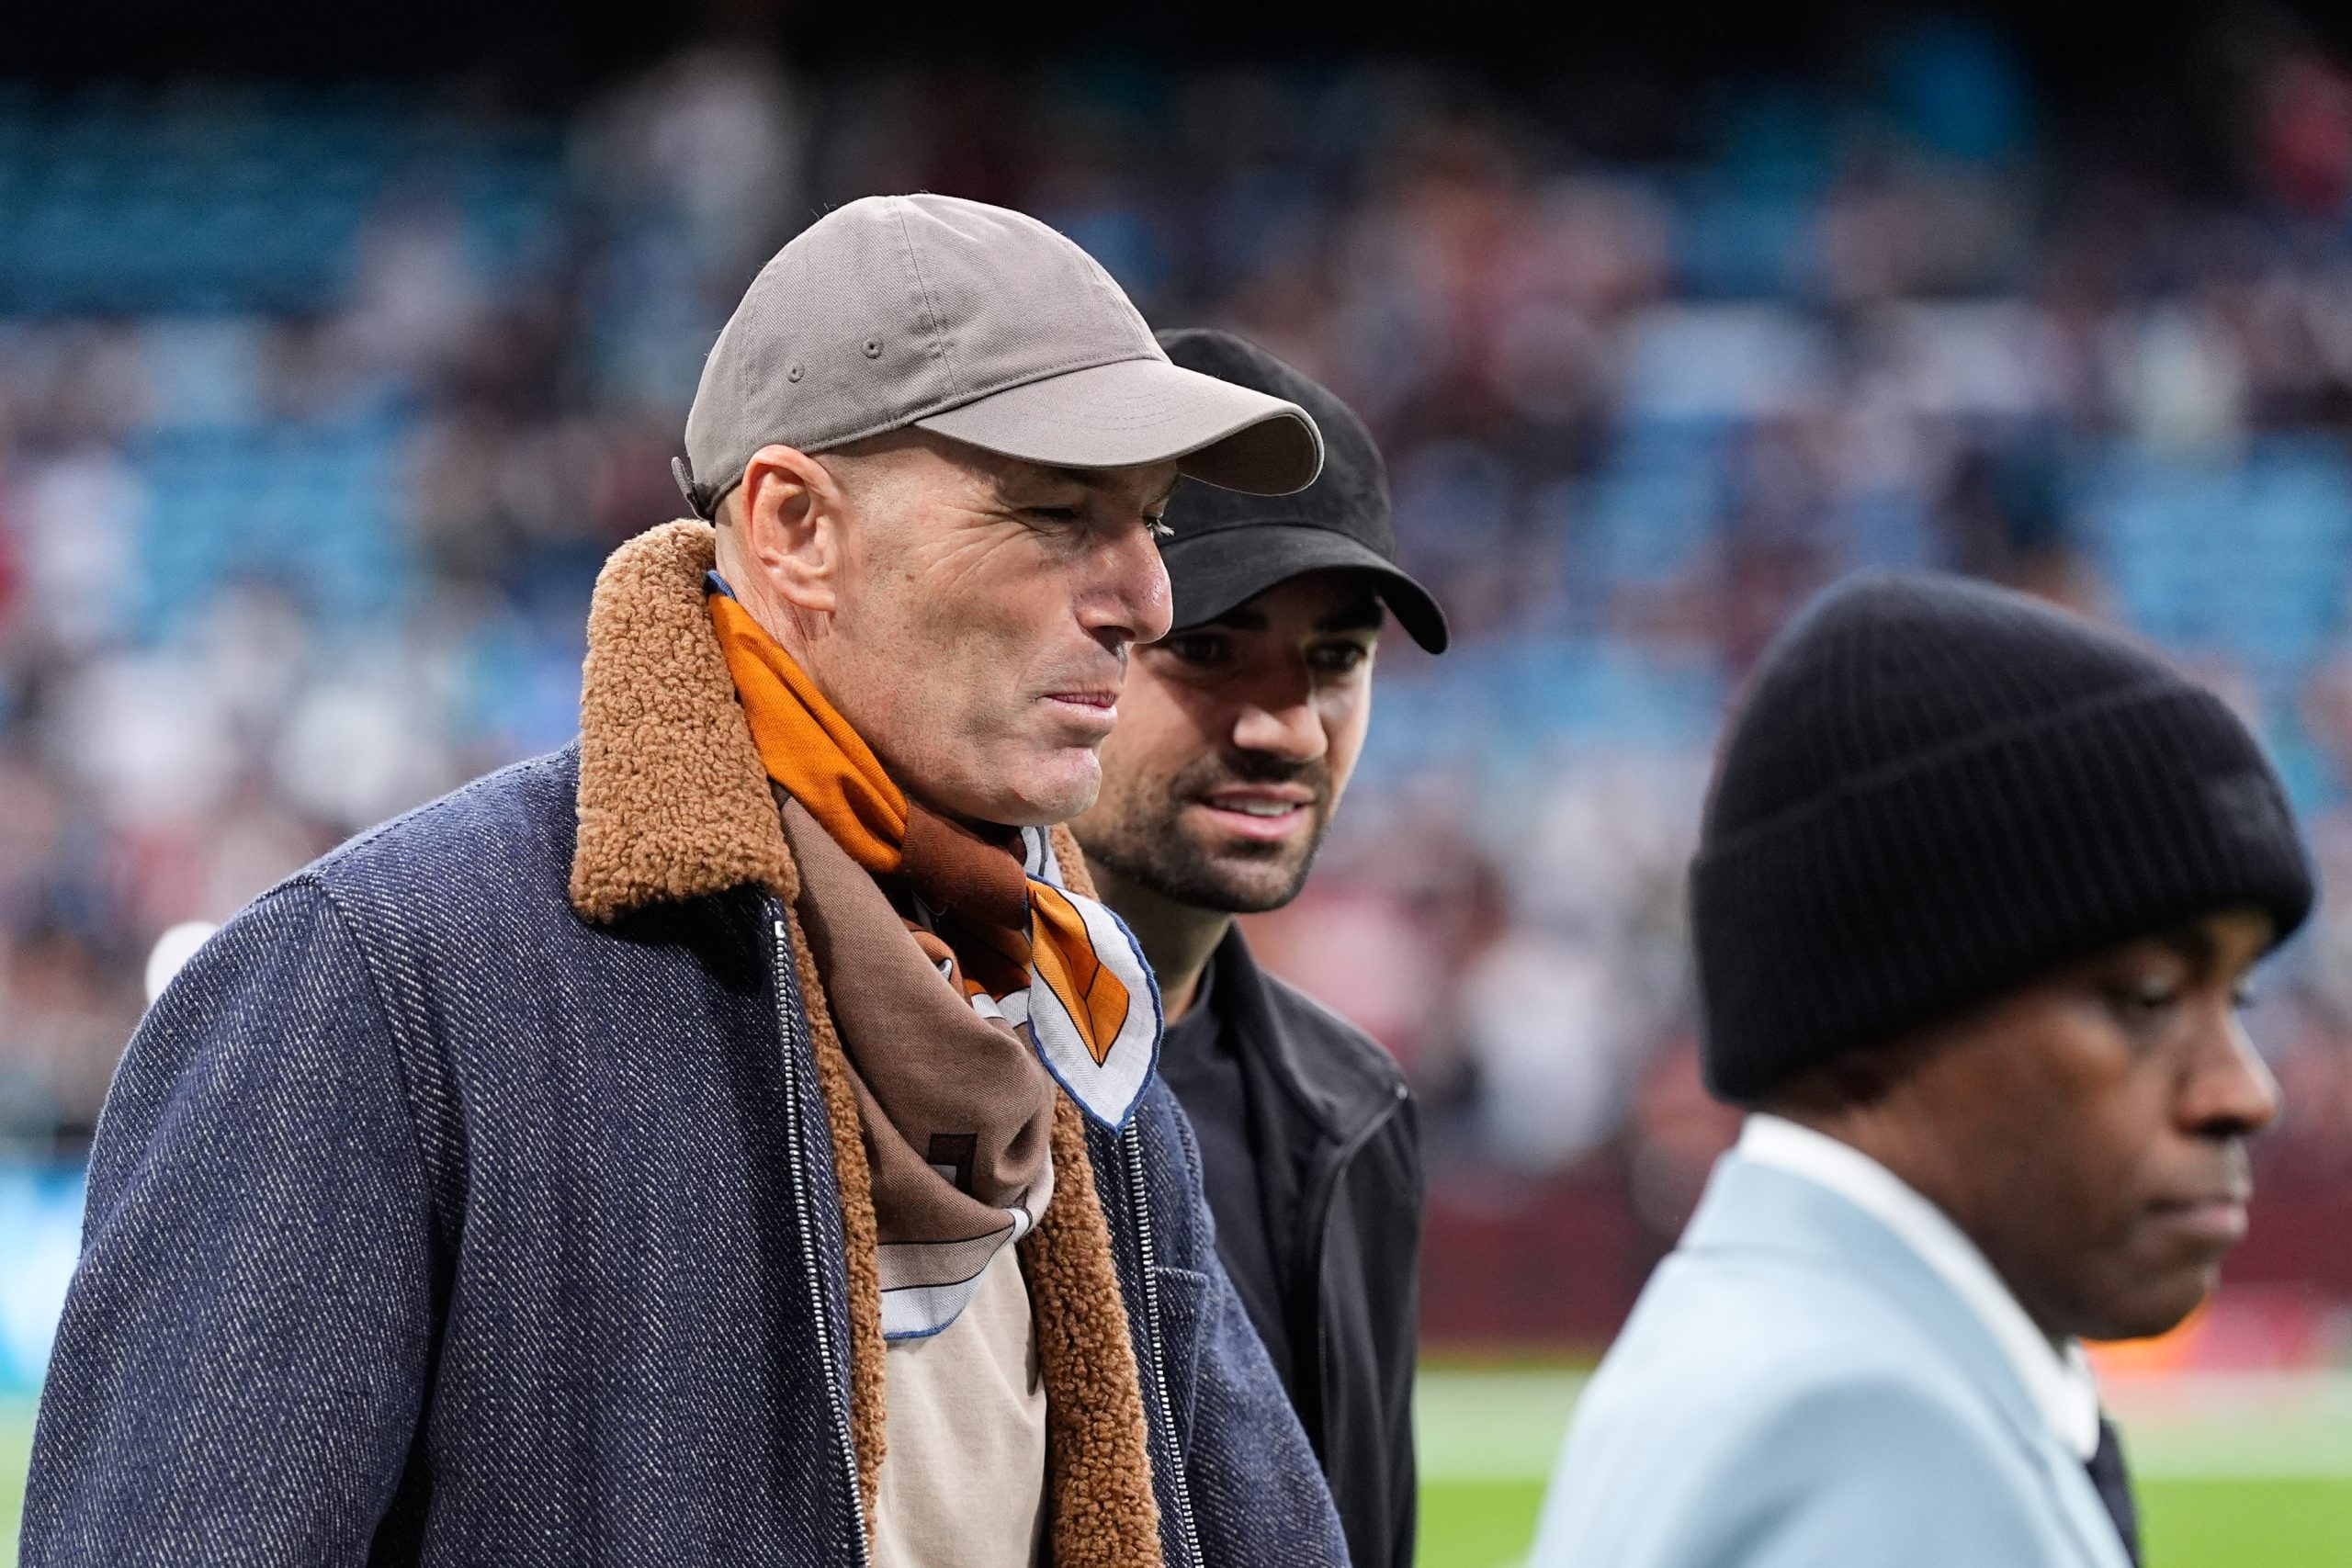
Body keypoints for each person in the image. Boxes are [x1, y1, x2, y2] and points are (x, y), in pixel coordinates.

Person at [23, 195, 1353, 1568]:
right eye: (1059, 514)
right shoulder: (373, 990)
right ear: (796, 529)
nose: (1146, 601)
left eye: (1150, 525)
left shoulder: (1079, 1024)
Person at [1529, 571, 2312, 1568]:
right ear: (1867, 1011)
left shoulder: (1763, 1344)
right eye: (2147, 999)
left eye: (2238, 999)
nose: (2244, 1092)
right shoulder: (1874, 1437)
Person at [1071, 327, 1449, 1568]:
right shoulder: (907, 1074)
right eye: (1209, 646)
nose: (1288, 727)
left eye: (1335, 659)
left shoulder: (1354, 1107)